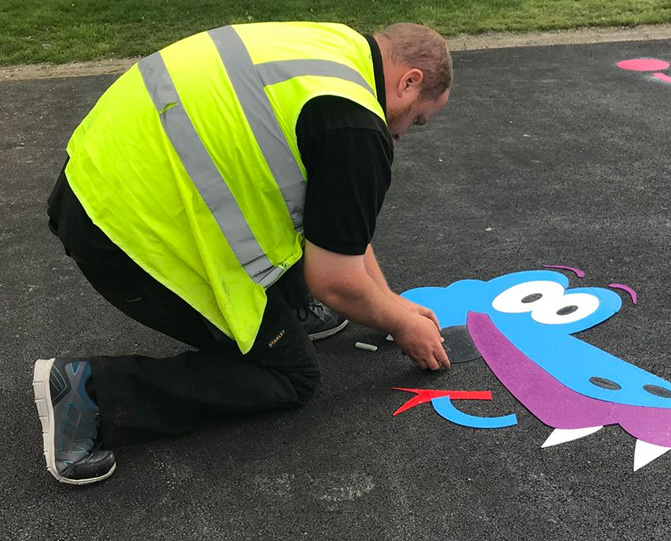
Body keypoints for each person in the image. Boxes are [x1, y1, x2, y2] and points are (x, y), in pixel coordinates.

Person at [35, 21, 453, 485]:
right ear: (409, 80)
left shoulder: (332, 49)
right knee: (290, 377)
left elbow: (340, 225)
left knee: (309, 249)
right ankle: (89, 395)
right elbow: (335, 280)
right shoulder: (356, 124)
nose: (403, 134)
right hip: (126, 238)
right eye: (416, 119)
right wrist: (398, 323)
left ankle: (291, 307)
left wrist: (390, 300)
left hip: (92, 178)